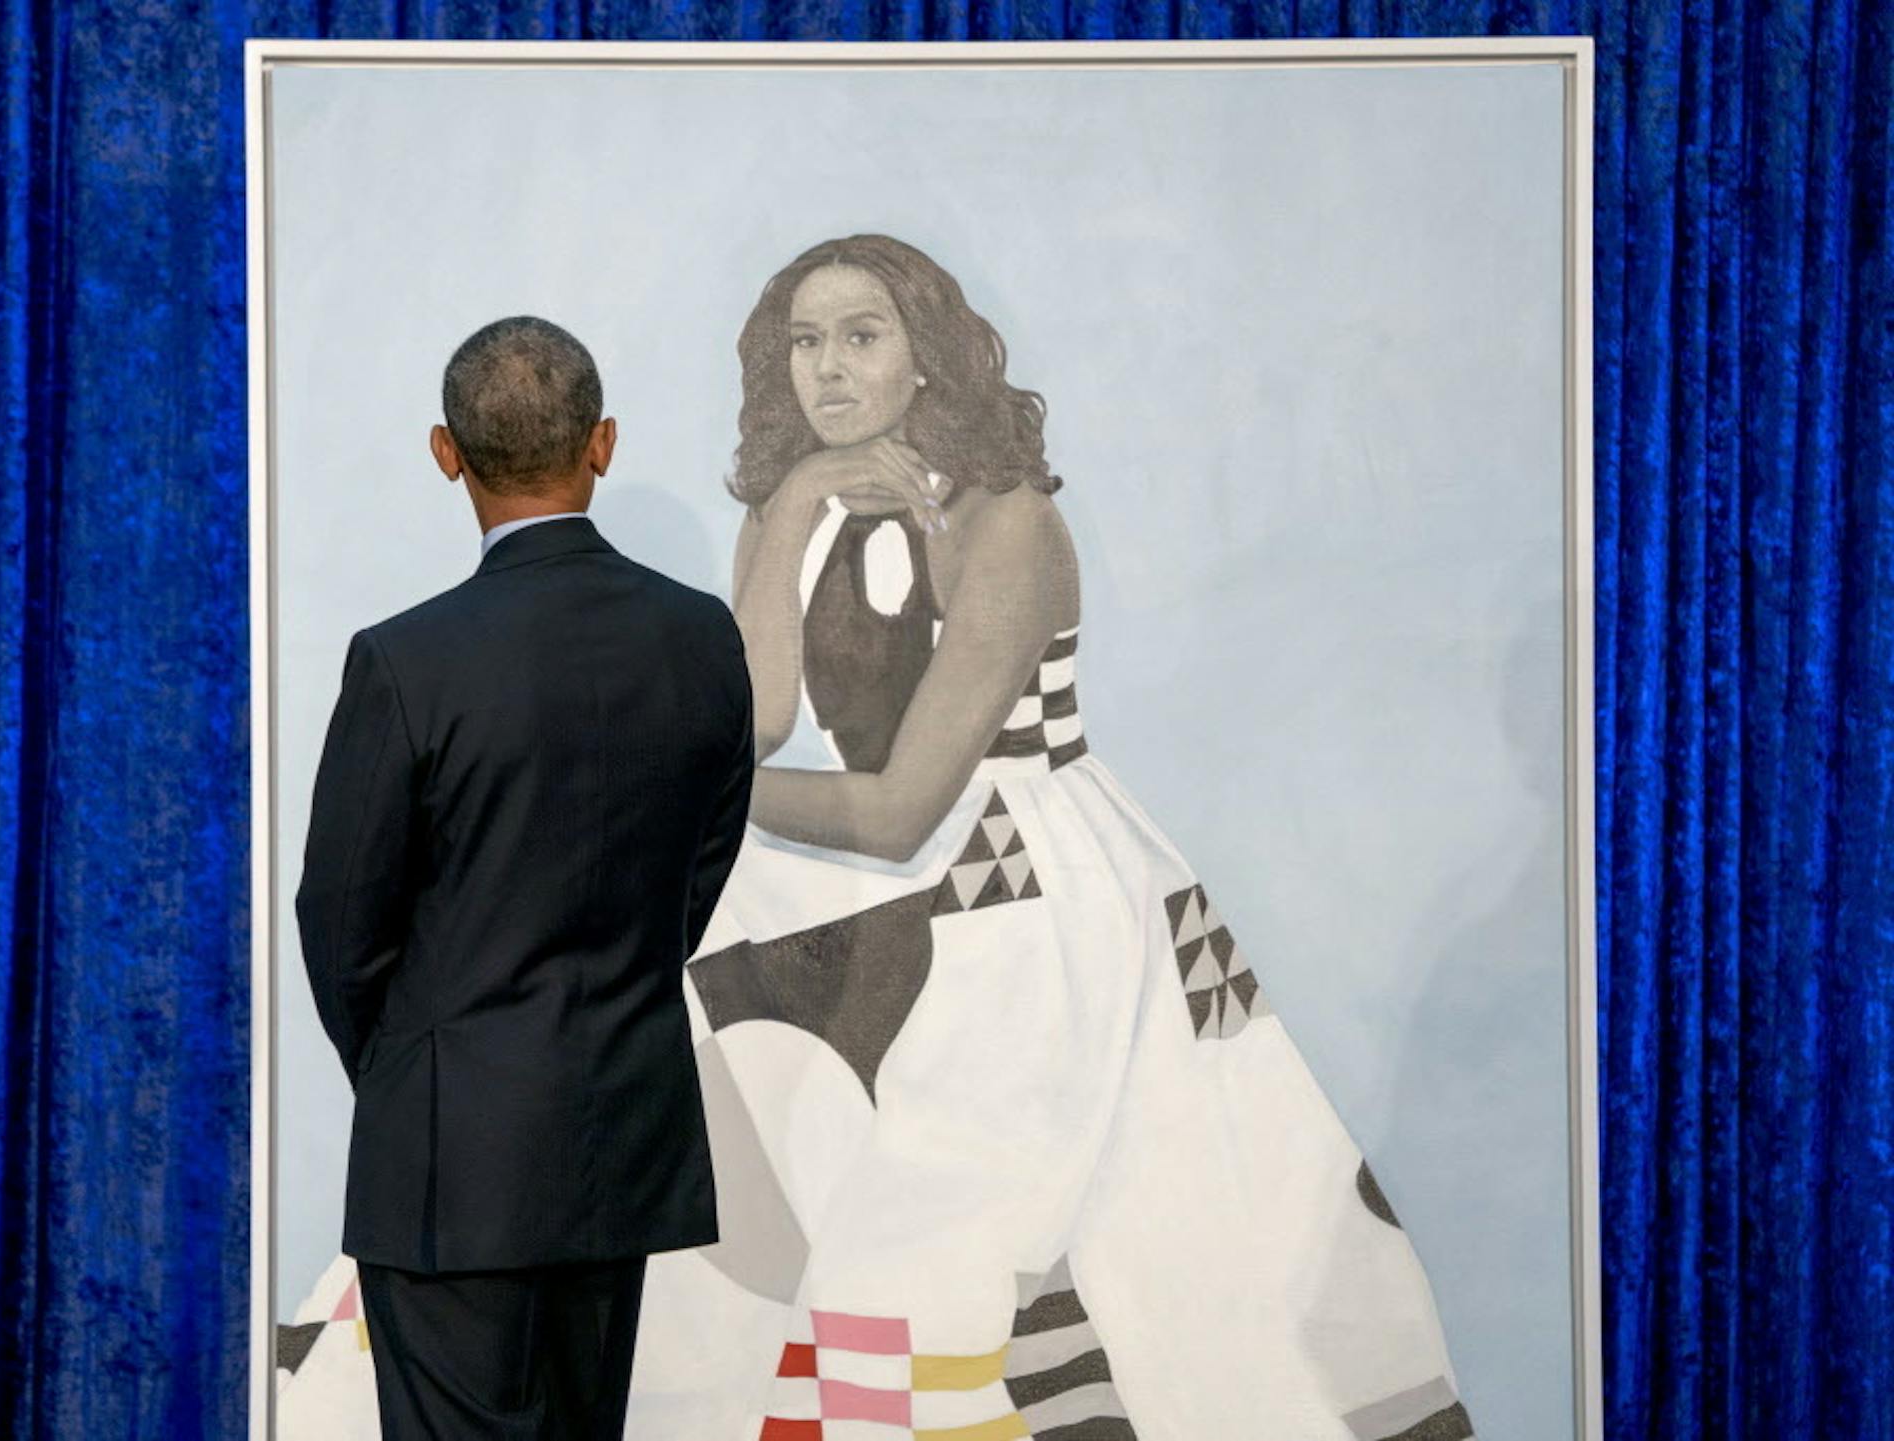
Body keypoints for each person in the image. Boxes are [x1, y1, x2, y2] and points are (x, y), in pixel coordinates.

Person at [631, 234, 1478, 1439]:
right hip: (877, 894)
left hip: (1024, 894)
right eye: (802, 343)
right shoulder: (790, 503)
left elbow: (899, 809)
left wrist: (690, 798)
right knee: (740, 1159)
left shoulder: (1007, 523)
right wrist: (800, 505)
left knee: (1031, 1241)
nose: (826, 368)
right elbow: (757, 721)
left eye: (861, 335)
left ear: (927, 355)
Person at [293, 315, 755, 1440]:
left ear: (447, 454)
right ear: (602, 444)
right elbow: (698, 873)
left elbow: (340, 921)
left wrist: (423, 1065)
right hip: (616, 1147)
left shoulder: (407, 659)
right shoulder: (702, 638)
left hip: (454, 1157)